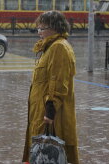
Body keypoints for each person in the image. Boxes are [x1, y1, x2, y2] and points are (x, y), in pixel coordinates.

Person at [22, 10, 79, 164]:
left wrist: (50, 112)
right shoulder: (50, 47)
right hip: (40, 113)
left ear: (55, 27)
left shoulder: (58, 47)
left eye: (42, 28)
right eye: (38, 28)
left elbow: (58, 84)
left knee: (51, 156)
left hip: (51, 118)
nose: (39, 32)